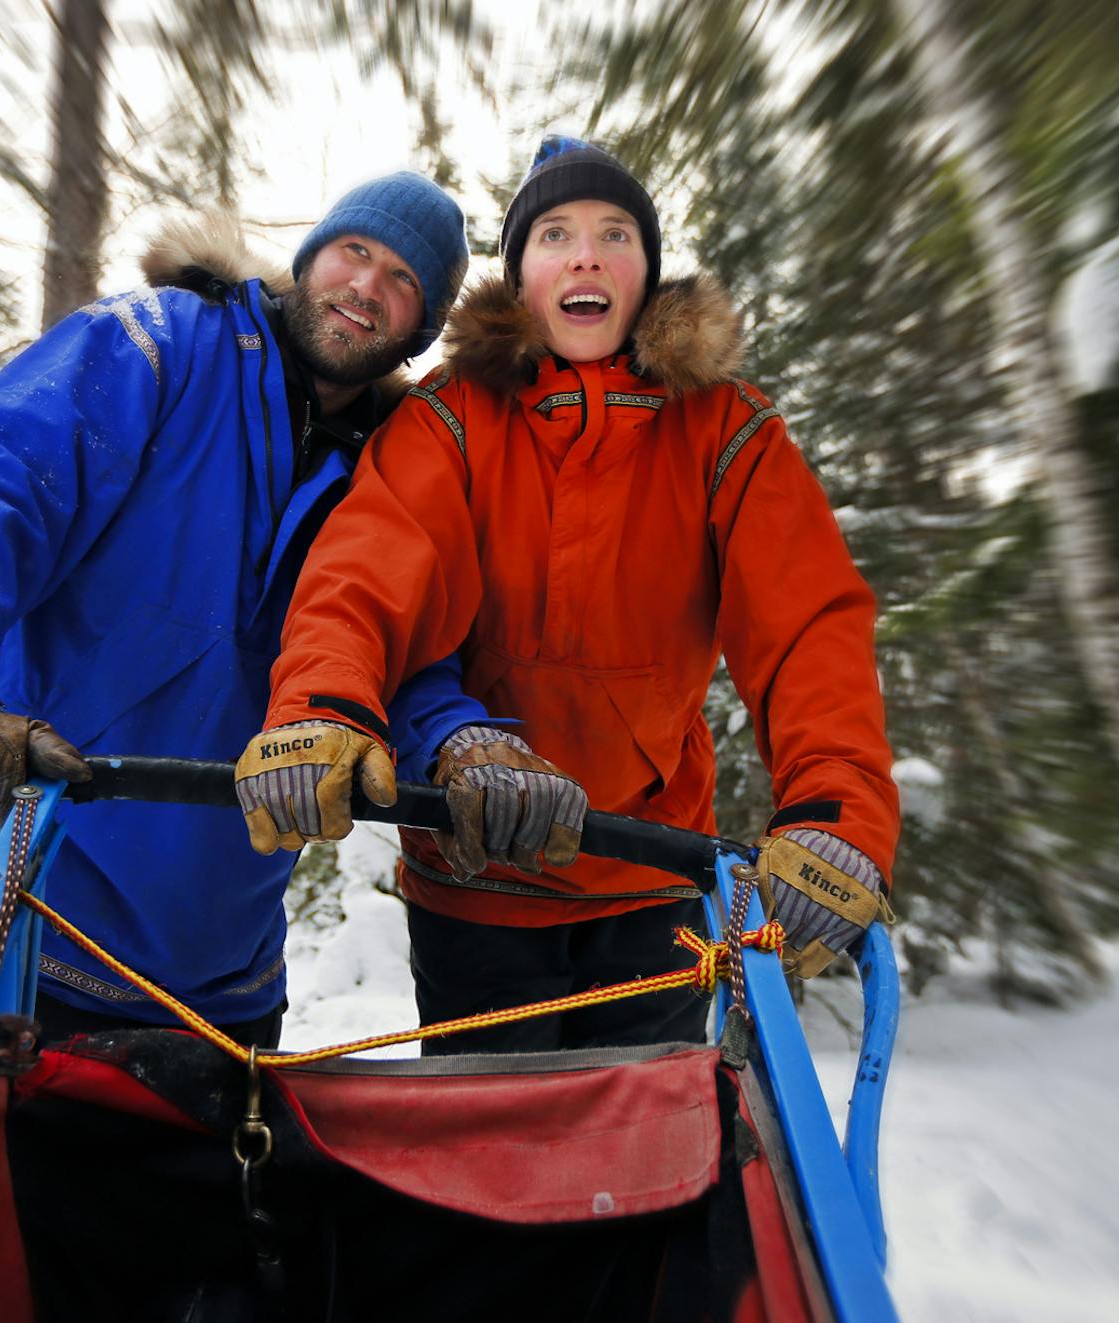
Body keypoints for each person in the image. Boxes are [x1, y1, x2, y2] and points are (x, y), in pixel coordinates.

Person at [235, 137, 900, 1053]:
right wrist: (320, 703)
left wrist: (835, 809)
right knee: (485, 1161)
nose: (585, 254)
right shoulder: (452, 417)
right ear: (523, 275)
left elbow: (807, 624)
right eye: (555, 233)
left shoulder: (724, 430)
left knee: (645, 1159)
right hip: (476, 868)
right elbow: (365, 571)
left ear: (646, 272)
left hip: (653, 871)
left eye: (614, 233)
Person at [0, 172, 497, 1050]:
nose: (367, 289)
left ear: (419, 328)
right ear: (313, 257)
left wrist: (459, 740)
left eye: (404, 281)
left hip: (223, 964)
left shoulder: (393, 467)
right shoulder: (158, 343)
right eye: (357, 251)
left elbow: (399, 646)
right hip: (28, 909)